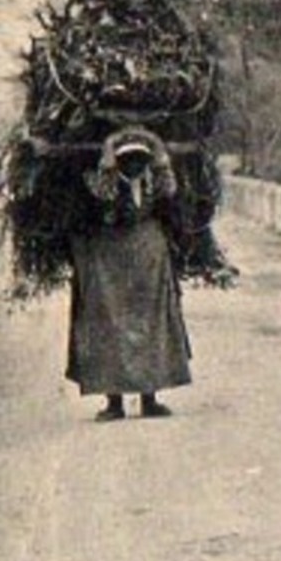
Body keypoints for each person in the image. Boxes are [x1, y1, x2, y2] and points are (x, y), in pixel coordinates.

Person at [67, 127, 191, 421]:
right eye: (128, 159)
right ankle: (114, 403)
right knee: (110, 323)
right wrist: (109, 152)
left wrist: (158, 149)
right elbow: (102, 193)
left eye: (140, 158)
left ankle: (150, 398)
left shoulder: (153, 182)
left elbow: (170, 188)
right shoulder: (103, 183)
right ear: (117, 162)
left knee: (151, 322)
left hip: (149, 257)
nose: (134, 165)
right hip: (109, 260)